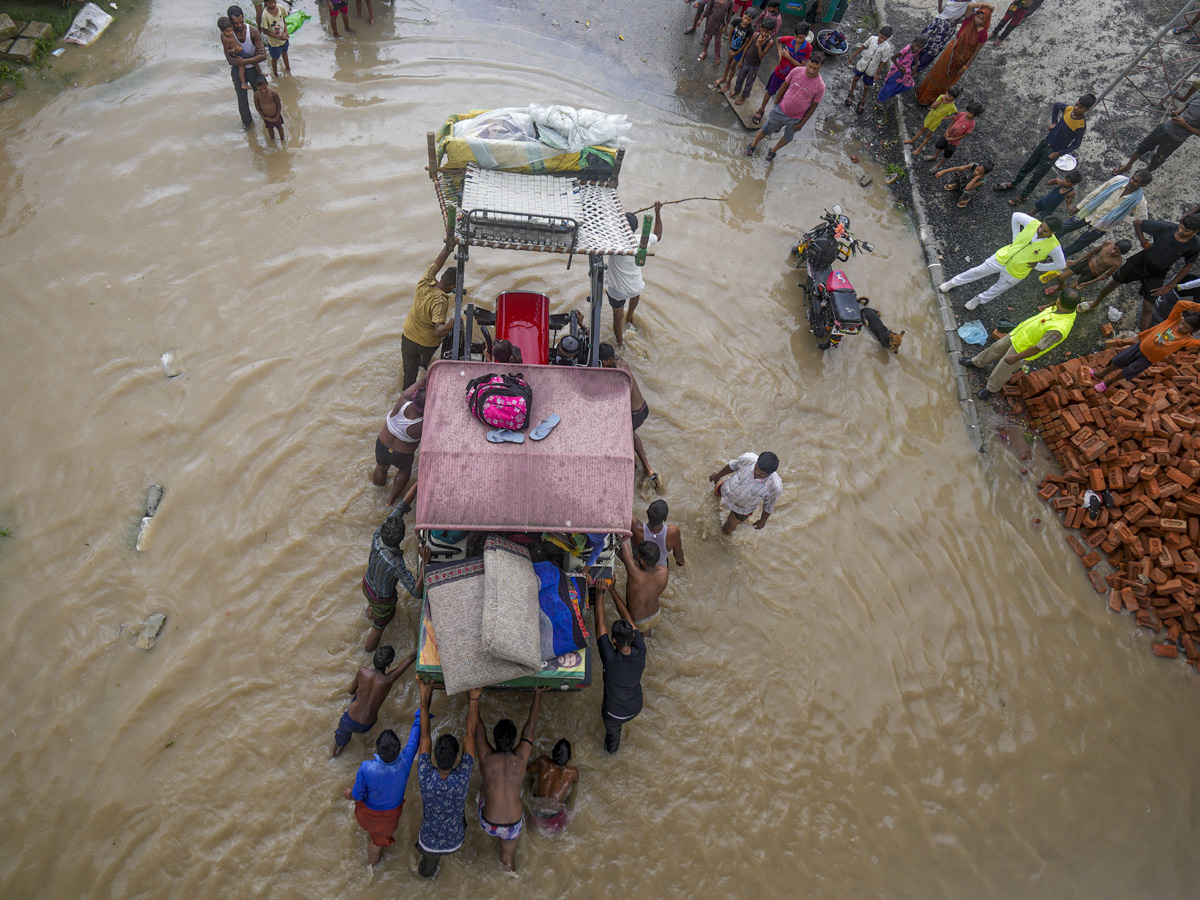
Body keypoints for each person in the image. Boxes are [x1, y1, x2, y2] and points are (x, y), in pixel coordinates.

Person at [471, 687, 544, 871]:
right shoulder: (520, 758)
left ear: (493, 740)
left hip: (488, 822)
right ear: (514, 742)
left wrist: (472, 697)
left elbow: (477, 728)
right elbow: (531, 724)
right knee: (507, 858)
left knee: (484, 787)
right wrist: (538, 693)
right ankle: (510, 883)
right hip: (512, 825)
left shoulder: (486, 757)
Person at [961, 288, 1080, 399]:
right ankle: (977, 362)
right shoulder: (1059, 309)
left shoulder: (1060, 329)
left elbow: (1039, 348)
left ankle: (991, 388)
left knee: (1003, 369)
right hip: (1017, 335)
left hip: (1022, 350)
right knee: (995, 348)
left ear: (1059, 300)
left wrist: (1016, 357)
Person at [1088, 216, 1200, 329]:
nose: (1180, 231)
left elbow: (1187, 267)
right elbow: (1137, 223)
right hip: (1139, 262)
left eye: (1186, 231)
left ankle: (1140, 339)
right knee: (1115, 281)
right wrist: (1144, 243)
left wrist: (1169, 285)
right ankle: (1095, 303)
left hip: (1157, 274)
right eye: (1180, 227)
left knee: (1148, 307)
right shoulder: (1166, 227)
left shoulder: (1195, 245)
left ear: (1195, 231)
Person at [938, 212, 1065, 310]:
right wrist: (1015, 237)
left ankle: (979, 299)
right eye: (1041, 226)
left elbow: (1061, 264)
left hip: (1016, 271)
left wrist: (1038, 266)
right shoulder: (1033, 223)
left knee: (998, 288)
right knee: (976, 271)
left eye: (1045, 230)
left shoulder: (1054, 246)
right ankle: (952, 283)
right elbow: (1015, 216)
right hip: (1002, 257)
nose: (1040, 230)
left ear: (1053, 232)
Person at [414, 681, 477, 878]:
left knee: (427, 867)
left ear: (433, 757)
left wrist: (424, 699)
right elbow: (470, 734)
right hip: (455, 842)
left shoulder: (425, 774)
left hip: (429, 844)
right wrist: (473, 699)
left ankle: (425, 876)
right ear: (458, 758)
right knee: (458, 813)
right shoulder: (463, 776)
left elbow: (424, 736)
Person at [342, 712, 421, 867]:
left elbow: (358, 795)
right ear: (399, 750)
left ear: (377, 750)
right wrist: (420, 717)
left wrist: (349, 794)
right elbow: (414, 739)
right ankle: (371, 869)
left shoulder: (366, 768)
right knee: (376, 845)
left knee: (371, 829)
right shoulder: (405, 763)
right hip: (387, 823)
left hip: (364, 818)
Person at [994, 94, 1095, 204]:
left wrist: (1058, 153)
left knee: (1037, 175)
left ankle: (1023, 196)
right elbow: (1056, 105)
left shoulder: (1081, 125)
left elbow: (1076, 144)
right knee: (1028, 165)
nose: (1076, 108)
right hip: (1045, 142)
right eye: (1077, 104)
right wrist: (1054, 122)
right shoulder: (1068, 109)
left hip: (1052, 152)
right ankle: (1014, 183)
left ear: (1087, 109)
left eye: (1080, 107)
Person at [1090, 300, 1200, 392]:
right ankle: (1100, 374)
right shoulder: (1174, 320)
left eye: (1186, 328)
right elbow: (1180, 304)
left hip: (1148, 359)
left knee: (1129, 371)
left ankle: (1108, 383)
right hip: (1140, 347)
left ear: (1193, 331)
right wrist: (1198, 307)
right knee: (1118, 361)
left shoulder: (1187, 340)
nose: (1181, 327)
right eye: (1183, 323)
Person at [332, 645, 417, 756]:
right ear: (388, 665)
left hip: (350, 719)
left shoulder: (362, 672)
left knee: (340, 740)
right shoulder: (388, 680)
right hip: (367, 724)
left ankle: (335, 755)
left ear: (374, 659)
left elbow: (351, 691)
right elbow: (411, 658)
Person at [594, 582, 646, 754]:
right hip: (635, 707)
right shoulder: (640, 648)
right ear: (632, 636)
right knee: (616, 725)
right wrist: (612, 591)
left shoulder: (611, 659)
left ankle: (610, 753)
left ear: (614, 641)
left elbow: (599, 622)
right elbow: (628, 620)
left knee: (613, 732)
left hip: (614, 714)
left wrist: (599, 593)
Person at [745, 52, 826, 162]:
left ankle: (773, 150)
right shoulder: (796, 71)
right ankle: (753, 144)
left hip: (796, 118)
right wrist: (776, 104)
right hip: (780, 109)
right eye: (809, 66)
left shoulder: (820, 86)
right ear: (807, 63)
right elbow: (783, 87)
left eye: (815, 68)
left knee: (788, 137)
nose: (811, 70)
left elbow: (813, 107)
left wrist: (801, 124)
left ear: (821, 67)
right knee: (766, 128)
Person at [598, 343, 657, 483]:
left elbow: (617, 398)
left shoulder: (619, 373)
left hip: (635, 413)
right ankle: (638, 465)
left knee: (627, 433)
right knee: (627, 432)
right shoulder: (620, 360)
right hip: (642, 407)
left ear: (610, 359)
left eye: (603, 362)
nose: (601, 364)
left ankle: (646, 468)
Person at [1056, 170, 1151, 257]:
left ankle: (1059, 256)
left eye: (1135, 181)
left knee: (1080, 243)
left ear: (1143, 185)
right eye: (1132, 178)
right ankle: (1046, 242)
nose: (1131, 181)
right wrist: (1079, 207)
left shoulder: (1140, 201)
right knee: (1063, 227)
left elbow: (1141, 221)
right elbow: (1097, 192)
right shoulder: (1118, 180)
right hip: (1090, 212)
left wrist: (1123, 217)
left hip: (1102, 225)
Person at [605, 204, 662, 347]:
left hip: (617, 292)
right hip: (636, 288)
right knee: (635, 291)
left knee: (617, 318)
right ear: (635, 229)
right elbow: (658, 235)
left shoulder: (613, 241)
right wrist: (657, 212)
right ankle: (630, 316)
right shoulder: (642, 239)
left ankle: (620, 343)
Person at [402, 238, 456, 389]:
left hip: (408, 336)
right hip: (425, 343)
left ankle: (405, 398)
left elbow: (439, 261)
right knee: (424, 360)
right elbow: (438, 331)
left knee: (409, 375)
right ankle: (424, 366)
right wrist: (451, 325)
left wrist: (450, 246)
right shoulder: (440, 301)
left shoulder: (425, 280)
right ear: (452, 287)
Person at [360, 513, 418, 652]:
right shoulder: (396, 563)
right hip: (382, 599)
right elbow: (416, 592)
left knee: (374, 608)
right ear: (401, 538)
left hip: (367, 584)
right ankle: (367, 652)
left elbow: (400, 508)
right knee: (378, 627)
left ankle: (370, 615)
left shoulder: (377, 536)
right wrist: (425, 560)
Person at [914, 5, 992, 106]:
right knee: (938, 74)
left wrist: (965, 66)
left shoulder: (983, 34)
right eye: (978, 17)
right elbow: (969, 6)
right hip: (951, 53)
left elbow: (975, 52)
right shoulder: (969, 20)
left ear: (986, 20)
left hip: (962, 60)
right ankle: (924, 96)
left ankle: (935, 101)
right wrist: (984, 5)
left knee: (947, 81)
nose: (978, 20)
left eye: (982, 19)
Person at [1113, 96, 1200, 175]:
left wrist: (1184, 124)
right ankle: (1128, 165)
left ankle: (1143, 176)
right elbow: (1187, 105)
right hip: (1165, 127)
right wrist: (1177, 112)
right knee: (1143, 146)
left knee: (1158, 159)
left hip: (1175, 139)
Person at [373, 377, 425, 506]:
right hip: (401, 456)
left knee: (381, 466)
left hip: (381, 445)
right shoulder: (424, 422)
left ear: (415, 396)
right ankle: (391, 499)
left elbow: (423, 380)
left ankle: (377, 489)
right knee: (405, 470)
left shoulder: (404, 398)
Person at [751, 23, 813, 124]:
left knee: (785, 96)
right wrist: (780, 53)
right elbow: (778, 40)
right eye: (796, 36)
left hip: (793, 77)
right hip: (780, 72)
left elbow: (801, 66)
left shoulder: (808, 48)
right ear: (794, 34)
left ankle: (779, 117)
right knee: (770, 91)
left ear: (806, 36)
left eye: (801, 37)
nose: (798, 39)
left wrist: (788, 57)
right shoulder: (789, 39)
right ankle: (761, 110)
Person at [708, 451, 783, 534]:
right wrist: (717, 475)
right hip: (727, 490)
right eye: (756, 469)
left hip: (743, 509)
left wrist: (762, 521)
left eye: (761, 474)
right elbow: (731, 467)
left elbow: (768, 506)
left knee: (728, 528)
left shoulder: (775, 487)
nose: (757, 473)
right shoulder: (747, 459)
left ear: (770, 473)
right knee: (713, 496)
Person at [1049, 238, 1131, 308]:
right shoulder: (1107, 243)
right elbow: (1094, 251)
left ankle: (1052, 304)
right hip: (1086, 263)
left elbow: (1106, 275)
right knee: (1061, 277)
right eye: (1115, 248)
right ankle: (1060, 286)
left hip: (1092, 274)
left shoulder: (1117, 262)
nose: (1113, 251)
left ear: (1122, 253)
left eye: (1117, 252)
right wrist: (1077, 261)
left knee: (1070, 289)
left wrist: (1088, 283)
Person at [613, 539, 669, 635]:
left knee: (636, 634)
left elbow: (623, 545)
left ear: (642, 561)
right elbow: (630, 562)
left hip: (638, 621)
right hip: (655, 614)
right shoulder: (664, 571)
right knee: (646, 633)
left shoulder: (636, 574)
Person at [221, 8, 265, 126]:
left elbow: (263, 56)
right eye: (236, 23)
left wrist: (243, 61)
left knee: (262, 96)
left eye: (241, 21)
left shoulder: (253, 31)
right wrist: (248, 60)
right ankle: (248, 126)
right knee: (242, 100)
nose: (239, 25)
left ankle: (266, 120)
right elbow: (229, 59)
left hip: (253, 70)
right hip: (238, 71)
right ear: (230, 21)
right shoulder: (226, 35)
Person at [526, 739, 579, 834]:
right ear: (569, 759)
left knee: (533, 834)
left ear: (552, 752)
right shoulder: (572, 772)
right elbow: (576, 783)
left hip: (536, 811)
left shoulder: (543, 761)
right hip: (556, 815)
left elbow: (528, 770)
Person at [915, 1, 988, 69]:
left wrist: (959, 21)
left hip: (948, 27)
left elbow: (973, 19)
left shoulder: (971, 4)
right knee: (922, 40)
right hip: (938, 20)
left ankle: (918, 67)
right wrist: (940, 8)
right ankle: (910, 61)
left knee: (934, 48)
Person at [844, 25, 894, 114]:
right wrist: (853, 57)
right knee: (855, 78)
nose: (881, 39)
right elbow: (863, 47)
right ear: (879, 33)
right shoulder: (872, 39)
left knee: (867, 86)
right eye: (881, 37)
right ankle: (851, 94)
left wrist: (877, 73)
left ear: (888, 38)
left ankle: (862, 100)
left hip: (872, 69)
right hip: (863, 63)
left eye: (884, 38)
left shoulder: (887, 48)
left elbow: (883, 61)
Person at [727, 17, 776, 106]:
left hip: (754, 65)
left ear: (772, 31)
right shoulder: (755, 35)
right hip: (746, 61)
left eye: (767, 32)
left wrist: (760, 45)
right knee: (740, 78)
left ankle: (743, 97)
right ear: (760, 27)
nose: (764, 33)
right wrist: (741, 60)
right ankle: (737, 90)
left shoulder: (770, 42)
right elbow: (746, 47)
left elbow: (761, 56)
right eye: (763, 30)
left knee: (749, 83)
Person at [925, 102, 982, 169]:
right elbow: (953, 121)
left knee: (947, 154)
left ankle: (939, 165)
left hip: (954, 142)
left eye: (970, 113)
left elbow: (964, 135)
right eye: (967, 111)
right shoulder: (962, 114)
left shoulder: (972, 124)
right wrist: (947, 131)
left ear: (975, 115)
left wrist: (953, 139)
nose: (967, 113)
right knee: (940, 146)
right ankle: (935, 156)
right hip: (946, 135)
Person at [631, 499, 685, 569]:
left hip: (639, 569)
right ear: (665, 518)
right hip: (661, 571)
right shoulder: (673, 532)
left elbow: (623, 512)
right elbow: (678, 554)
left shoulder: (636, 530)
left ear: (647, 512)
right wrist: (681, 561)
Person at [874, 37, 927, 108]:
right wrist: (901, 68)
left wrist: (916, 66)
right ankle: (879, 100)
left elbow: (917, 55)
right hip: (897, 71)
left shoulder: (918, 50)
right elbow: (893, 58)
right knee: (889, 86)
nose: (917, 48)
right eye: (916, 46)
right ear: (913, 42)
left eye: (920, 47)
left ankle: (892, 93)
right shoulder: (907, 49)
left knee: (907, 86)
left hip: (906, 71)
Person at [906, 85, 959, 154]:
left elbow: (957, 115)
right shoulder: (941, 97)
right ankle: (913, 140)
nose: (946, 96)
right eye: (947, 94)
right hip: (930, 117)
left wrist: (947, 118)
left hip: (935, 122)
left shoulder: (952, 107)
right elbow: (932, 107)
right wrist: (940, 102)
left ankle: (919, 149)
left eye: (950, 96)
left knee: (928, 135)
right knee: (922, 129)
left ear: (954, 98)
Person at [715, 7, 756, 95]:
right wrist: (730, 47)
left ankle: (728, 83)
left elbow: (745, 44)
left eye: (748, 20)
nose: (745, 21)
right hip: (732, 47)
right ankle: (724, 77)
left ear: (752, 20)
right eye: (745, 18)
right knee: (728, 62)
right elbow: (730, 33)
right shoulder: (736, 21)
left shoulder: (750, 30)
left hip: (739, 51)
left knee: (733, 66)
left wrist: (736, 53)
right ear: (743, 14)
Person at [219, 17, 259, 92]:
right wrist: (235, 50)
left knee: (242, 67)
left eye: (231, 30)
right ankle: (259, 73)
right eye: (228, 31)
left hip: (239, 53)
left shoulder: (230, 34)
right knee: (252, 59)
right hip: (239, 53)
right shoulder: (226, 39)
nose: (231, 32)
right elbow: (227, 51)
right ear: (222, 31)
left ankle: (244, 83)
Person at [259, 0, 291, 77]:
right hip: (274, 43)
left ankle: (288, 68)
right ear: (266, 3)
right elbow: (264, 30)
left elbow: (283, 20)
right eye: (270, 3)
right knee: (275, 58)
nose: (273, 4)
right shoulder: (265, 16)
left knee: (285, 53)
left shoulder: (280, 7)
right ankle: (275, 74)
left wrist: (286, 32)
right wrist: (277, 37)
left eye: (274, 2)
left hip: (283, 38)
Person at [251, 73, 284, 141]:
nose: (263, 91)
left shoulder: (273, 93)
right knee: (270, 129)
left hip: (276, 115)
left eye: (265, 88)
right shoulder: (256, 95)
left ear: (267, 84)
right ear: (256, 87)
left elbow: (278, 104)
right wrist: (263, 117)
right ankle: (272, 140)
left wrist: (277, 115)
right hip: (266, 117)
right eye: (260, 89)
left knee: (279, 127)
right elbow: (257, 106)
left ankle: (282, 140)